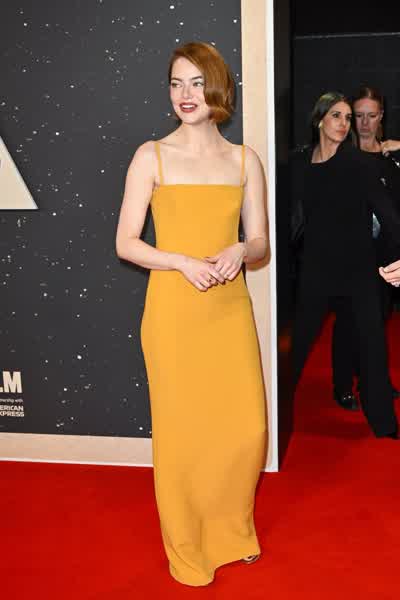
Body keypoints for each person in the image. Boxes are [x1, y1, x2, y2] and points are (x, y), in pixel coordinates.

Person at [115, 42, 268, 586]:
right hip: (174, 312)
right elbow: (126, 243)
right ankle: (186, 548)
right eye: (177, 83)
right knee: (183, 437)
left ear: (218, 88)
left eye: (197, 83)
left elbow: (260, 242)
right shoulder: (151, 156)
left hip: (228, 309)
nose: (185, 94)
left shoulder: (244, 160)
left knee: (245, 429)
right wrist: (180, 260)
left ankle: (232, 532)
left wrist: (240, 250)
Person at [290, 91, 400, 439]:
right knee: (295, 345)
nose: (344, 123)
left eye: (347, 118)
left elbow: (388, 215)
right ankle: (273, 418)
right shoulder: (299, 163)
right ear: (319, 119)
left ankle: (384, 425)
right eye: (336, 115)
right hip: (316, 270)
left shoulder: (357, 163)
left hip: (358, 271)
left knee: (372, 347)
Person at [331, 86, 400, 410]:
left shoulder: (390, 162)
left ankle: (374, 380)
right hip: (349, 253)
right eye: (358, 116)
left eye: (372, 115)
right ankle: (343, 384)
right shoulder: (339, 156)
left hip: (385, 254)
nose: (365, 123)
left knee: (378, 319)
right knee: (348, 320)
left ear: (381, 116)